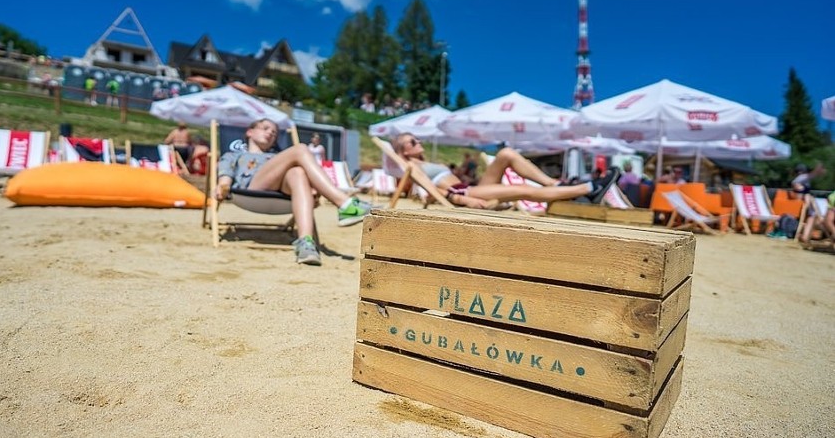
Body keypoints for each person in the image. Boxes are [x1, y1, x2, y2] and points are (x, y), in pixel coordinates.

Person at [216, 119, 372, 266]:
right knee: (301, 149)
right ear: (249, 132)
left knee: (297, 172)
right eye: (265, 128)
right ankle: (345, 203)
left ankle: (305, 243)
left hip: (281, 191)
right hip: (250, 190)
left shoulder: (277, 157)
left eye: (274, 132)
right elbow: (225, 176)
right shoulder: (234, 155)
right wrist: (223, 186)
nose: (271, 133)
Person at [393, 132, 620, 209]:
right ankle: (589, 188)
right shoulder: (412, 166)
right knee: (521, 189)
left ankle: (554, 184)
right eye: (412, 142)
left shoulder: (424, 162)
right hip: (462, 194)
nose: (418, 142)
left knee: (506, 154)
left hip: (469, 188)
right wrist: (461, 200)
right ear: (403, 152)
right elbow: (430, 191)